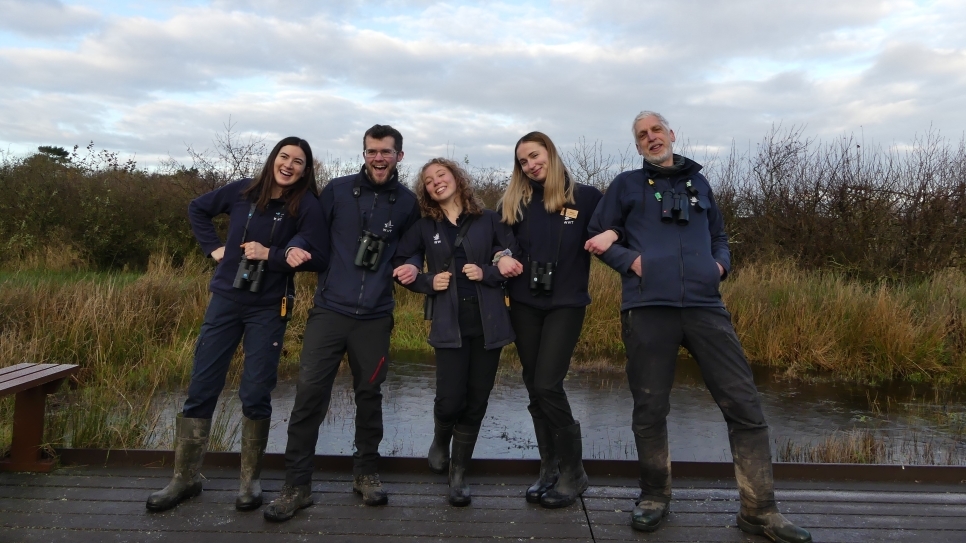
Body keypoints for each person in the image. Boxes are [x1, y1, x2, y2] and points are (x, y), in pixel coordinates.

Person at [586, 111, 811, 543]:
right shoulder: (625, 185)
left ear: (671, 135)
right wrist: (633, 262)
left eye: (656, 131)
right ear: (637, 147)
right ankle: (654, 497)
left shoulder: (700, 186)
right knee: (650, 409)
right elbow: (598, 234)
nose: (651, 138)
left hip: (706, 307)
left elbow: (720, 236)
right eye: (642, 136)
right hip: (648, 306)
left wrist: (718, 268)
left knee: (744, 405)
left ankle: (759, 510)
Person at [146, 136, 328, 513]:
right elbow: (197, 208)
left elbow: (319, 257)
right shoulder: (243, 191)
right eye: (284, 157)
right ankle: (185, 479)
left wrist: (274, 254)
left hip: (269, 307)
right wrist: (214, 249)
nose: (290, 165)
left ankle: (250, 481)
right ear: (273, 159)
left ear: (305, 170)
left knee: (257, 389)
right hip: (226, 301)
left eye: (298, 161)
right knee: (202, 383)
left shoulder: (306, 205)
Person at [263, 124, 421, 522]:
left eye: (386, 151)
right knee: (309, 396)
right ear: (364, 154)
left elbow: (411, 250)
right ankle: (297, 486)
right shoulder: (336, 190)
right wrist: (294, 247)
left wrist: (411, 265)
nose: (379, 158)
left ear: (399, 156)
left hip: (375, 317)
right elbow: (311, 234)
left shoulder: (407, 202)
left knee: (370, 398)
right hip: (329, 312)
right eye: (372, 151)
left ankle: (365, 473)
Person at [392, 158, 519, 506]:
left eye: (441, 175)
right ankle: (439, 437)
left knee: (476, 400)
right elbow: (405, 263)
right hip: (450, 324)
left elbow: (509, 258)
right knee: (450, 400)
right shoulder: (423, 227)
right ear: (426, 191)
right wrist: (426, 280)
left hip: (488, 324)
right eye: (429, 180)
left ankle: (458, 472)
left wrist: (488, 272)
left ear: (457, 178)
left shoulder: (489, 219)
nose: (436, 182)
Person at [498, 132, 603, 508]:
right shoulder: (515, 201)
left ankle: (574, 472)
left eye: (534, 156)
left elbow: (617, 229)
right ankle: (549, 467)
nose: (530, 165)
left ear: (550, 153)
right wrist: (499, 257)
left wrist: (611, 234)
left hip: (565, 304)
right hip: (524, 303)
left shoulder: (587, 197)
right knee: (532, 383)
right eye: (523, 161)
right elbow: (497, 241)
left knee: (547, 383)